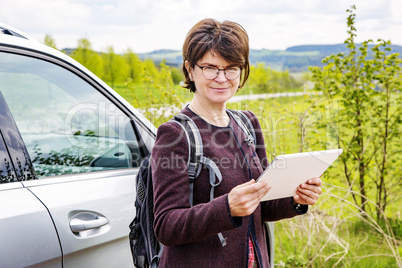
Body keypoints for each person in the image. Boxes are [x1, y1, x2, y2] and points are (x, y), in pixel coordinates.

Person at [151, 18, 322, 268]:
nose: (222, 78)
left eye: (231, 68)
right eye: (210, 68)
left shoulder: (247, 123)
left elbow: (262, 206)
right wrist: (226, 208)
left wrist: (296, 198)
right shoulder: (174, 134)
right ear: (190, 69)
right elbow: (166, 226)